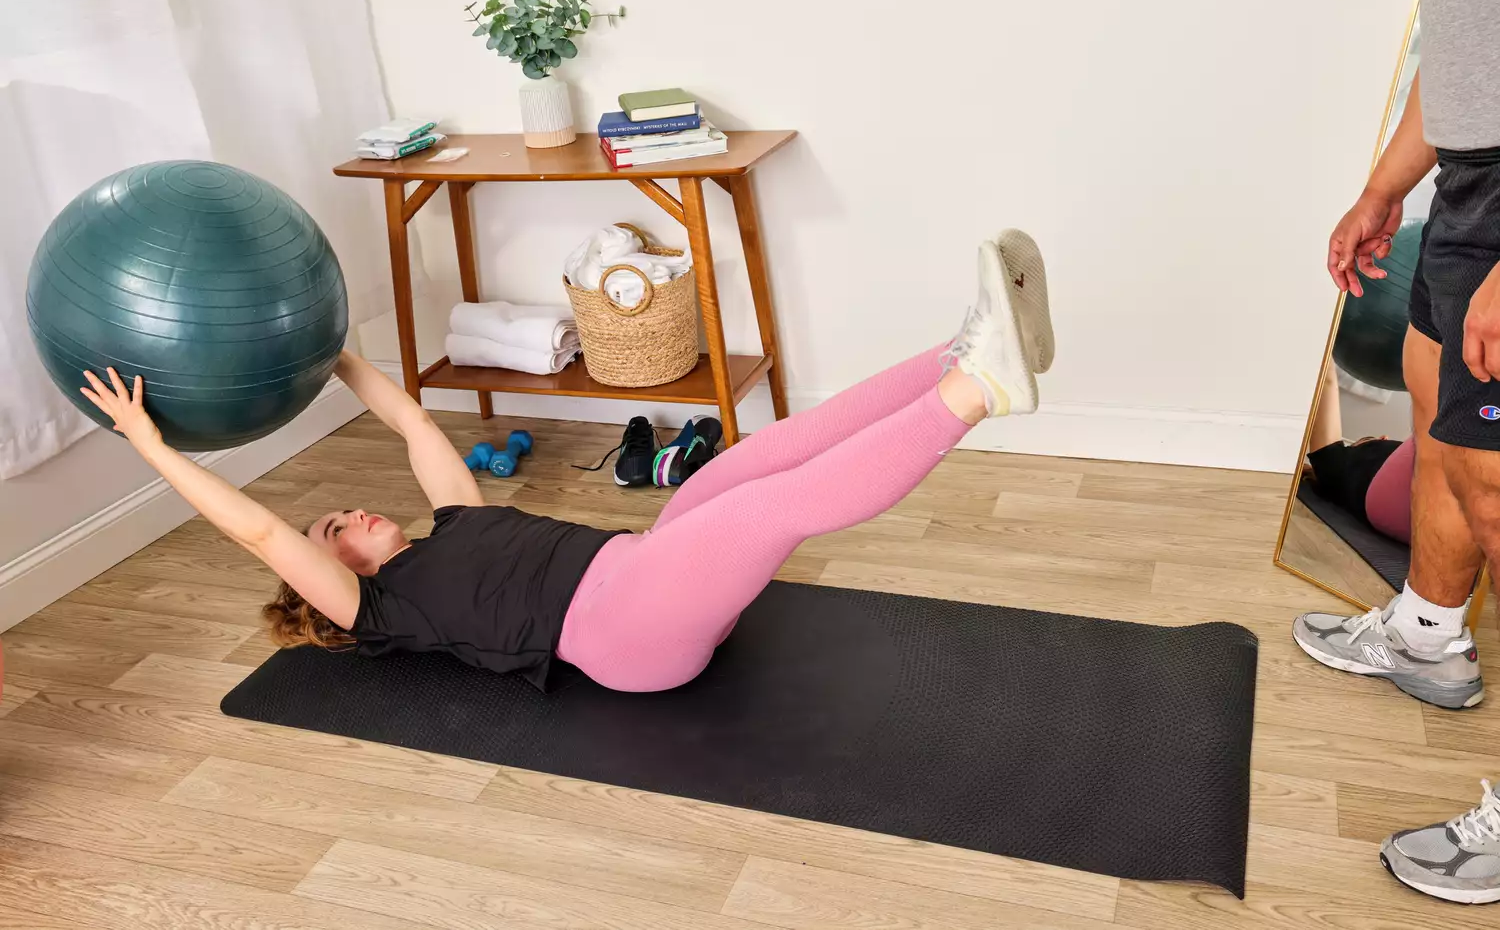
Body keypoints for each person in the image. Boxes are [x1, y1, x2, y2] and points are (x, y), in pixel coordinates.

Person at [81, 231, 1054, 696]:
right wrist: (153, 444)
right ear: (333, 573)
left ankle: (959, 352)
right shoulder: (374, 612)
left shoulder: (455, 520)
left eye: (338, 512)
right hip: (630, 633)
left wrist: (331, 353)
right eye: (332, 531)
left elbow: (414, 425)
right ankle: (981, 392)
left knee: (743, 473)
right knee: (771, 511)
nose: (348, 518)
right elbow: (253, 526)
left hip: (640, 567)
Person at [1293, 0, 1500, 904]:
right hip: (1471, 182)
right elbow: (1467, 28)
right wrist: (1386, 187)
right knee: (1441, 420)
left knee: (1496, 484)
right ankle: (1425, 633)